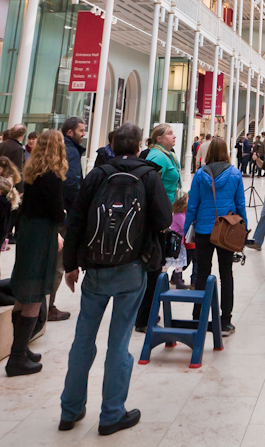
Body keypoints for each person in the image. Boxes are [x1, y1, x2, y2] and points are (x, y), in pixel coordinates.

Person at [60, 123, 172, 437]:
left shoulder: (98, 174)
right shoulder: (148, 175)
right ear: (138, 146)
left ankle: (70, 410)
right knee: (118, 343)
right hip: (131, 267)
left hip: (95, 267)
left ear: (113, 146)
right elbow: (163, 220)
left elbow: (77, 220)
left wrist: (71, 265)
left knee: (83, 339)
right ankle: (111, 414)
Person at [7, 128, 67, 377]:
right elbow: (55, 212)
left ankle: (19, 348)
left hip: (28, 230)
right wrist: (61, 222)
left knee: (24, 291)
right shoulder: (52, 176)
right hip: (43, 233)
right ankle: (17, 356)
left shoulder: (32, 173)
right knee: (34, 292)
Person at [185, 136, 245, 336]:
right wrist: (243, 229)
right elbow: (240, 205)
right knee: (226, 274)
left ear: (208, 153)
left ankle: (198, 317)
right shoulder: (235, 174)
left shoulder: (200, 175)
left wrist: (185, 229)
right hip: (226, 231)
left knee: (202, 273)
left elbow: (192, 205)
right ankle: (225, 321)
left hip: (203, 230)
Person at [137, 123, 183, 331]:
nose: (174, 136)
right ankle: (144, 316)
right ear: (158, 139)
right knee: (152, 267)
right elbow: (148, 186)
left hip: (162, 215)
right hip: (155, 219)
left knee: (156, 266)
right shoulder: (157, 157)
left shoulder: (167, 155)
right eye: (169, 134)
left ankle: (147, 314)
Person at [61, 116, 86, 210]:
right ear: (70, 132)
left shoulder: (60, 147)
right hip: (67, 204)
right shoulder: (72, 151)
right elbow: (71, 180)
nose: (83, 134)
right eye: (81, 130)